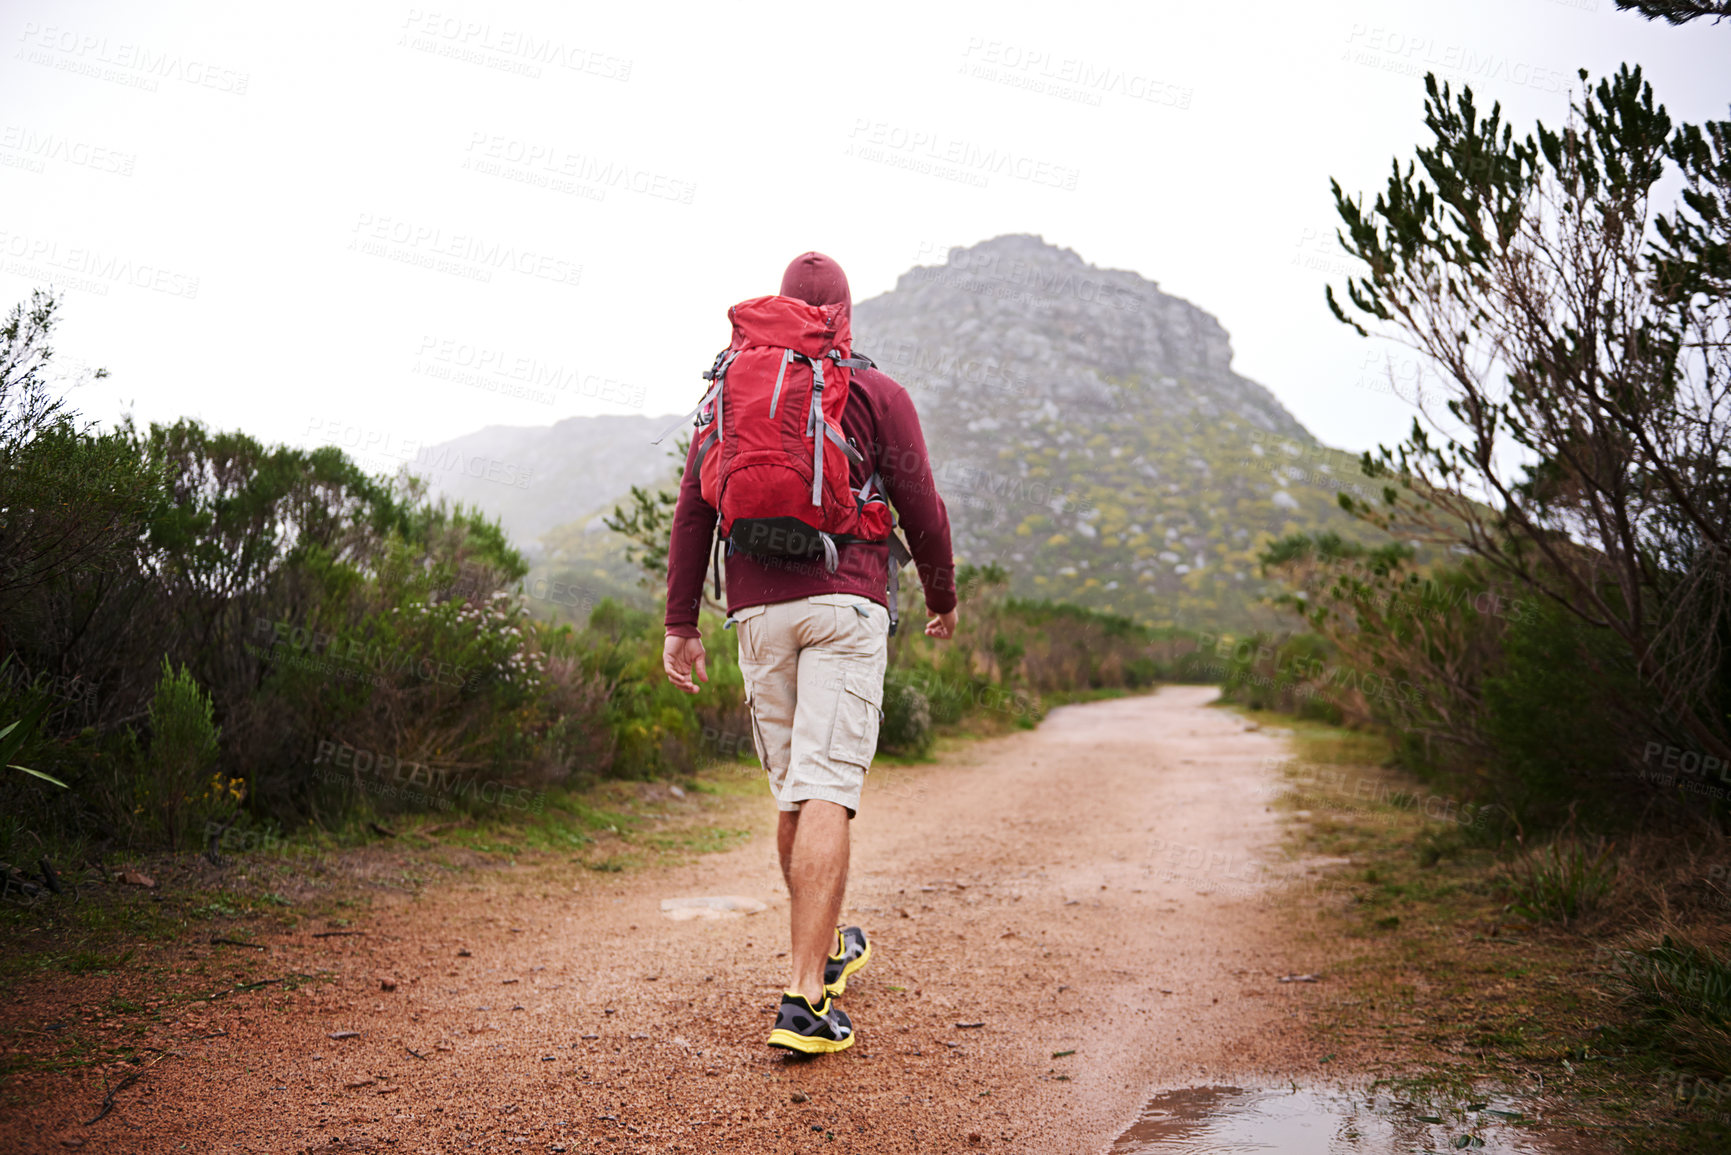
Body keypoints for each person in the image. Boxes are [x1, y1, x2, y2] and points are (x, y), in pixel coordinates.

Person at [661, 251, 958, 1054]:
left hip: (755, 609)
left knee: (794, 792)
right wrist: (942, 595)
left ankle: (820, 949)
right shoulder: (874, 391)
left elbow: (693, 508)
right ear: (846, 315)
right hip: (845, 599)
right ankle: (803, 999)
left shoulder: (730, 389)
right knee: (828, 786)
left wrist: (679, 622)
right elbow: (921, 504)